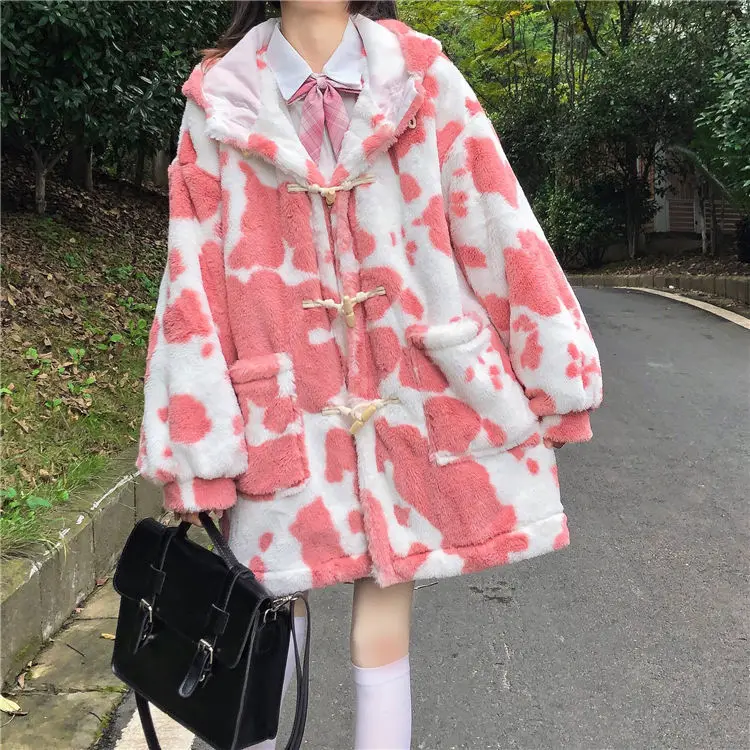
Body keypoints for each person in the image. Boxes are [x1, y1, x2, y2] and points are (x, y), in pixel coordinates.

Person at [135, 1, 604, 747]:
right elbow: (191, 278)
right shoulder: (221, 99)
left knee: (386, 602)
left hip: (411, 392)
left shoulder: (421, 77)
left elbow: (498, 223)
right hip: (278, 408)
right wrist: (196, 446)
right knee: (264, 605)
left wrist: (557, 373)